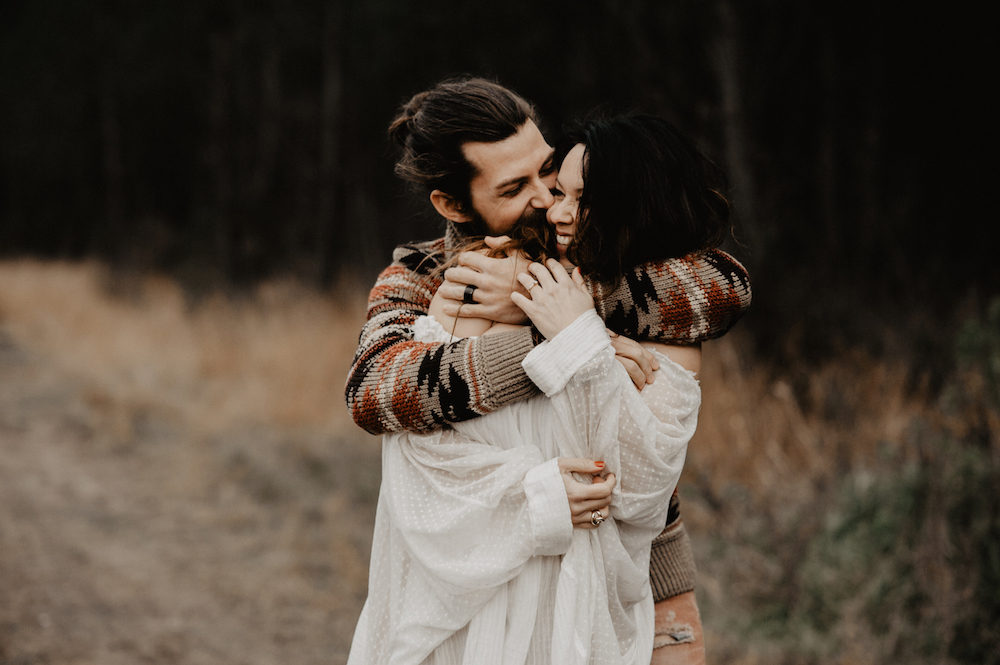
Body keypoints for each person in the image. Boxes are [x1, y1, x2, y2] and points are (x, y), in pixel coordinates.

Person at [344, 77, 752, 661]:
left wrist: (562, 303)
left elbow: (724, 288)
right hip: (499, 583)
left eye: (547, 170)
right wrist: (565, 340)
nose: (544, 197)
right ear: (454, 204)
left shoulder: (591, 243)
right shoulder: (422, 275)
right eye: (515, 186)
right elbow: (375, 393)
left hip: (631, 568)